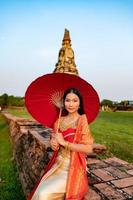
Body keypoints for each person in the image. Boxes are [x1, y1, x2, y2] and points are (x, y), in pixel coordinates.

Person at [28, 88, 94, 200]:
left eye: (75, 100)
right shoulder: (59, 121)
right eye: (68, 100)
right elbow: (55, 145)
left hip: (73, 167)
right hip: (57, 164)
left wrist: (64, 142)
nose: (71, 104)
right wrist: (54, 143)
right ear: (64, 103)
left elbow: (88, 148)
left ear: (80, 104)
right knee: (39, 191)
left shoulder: (82, 120)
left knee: (44, 194)